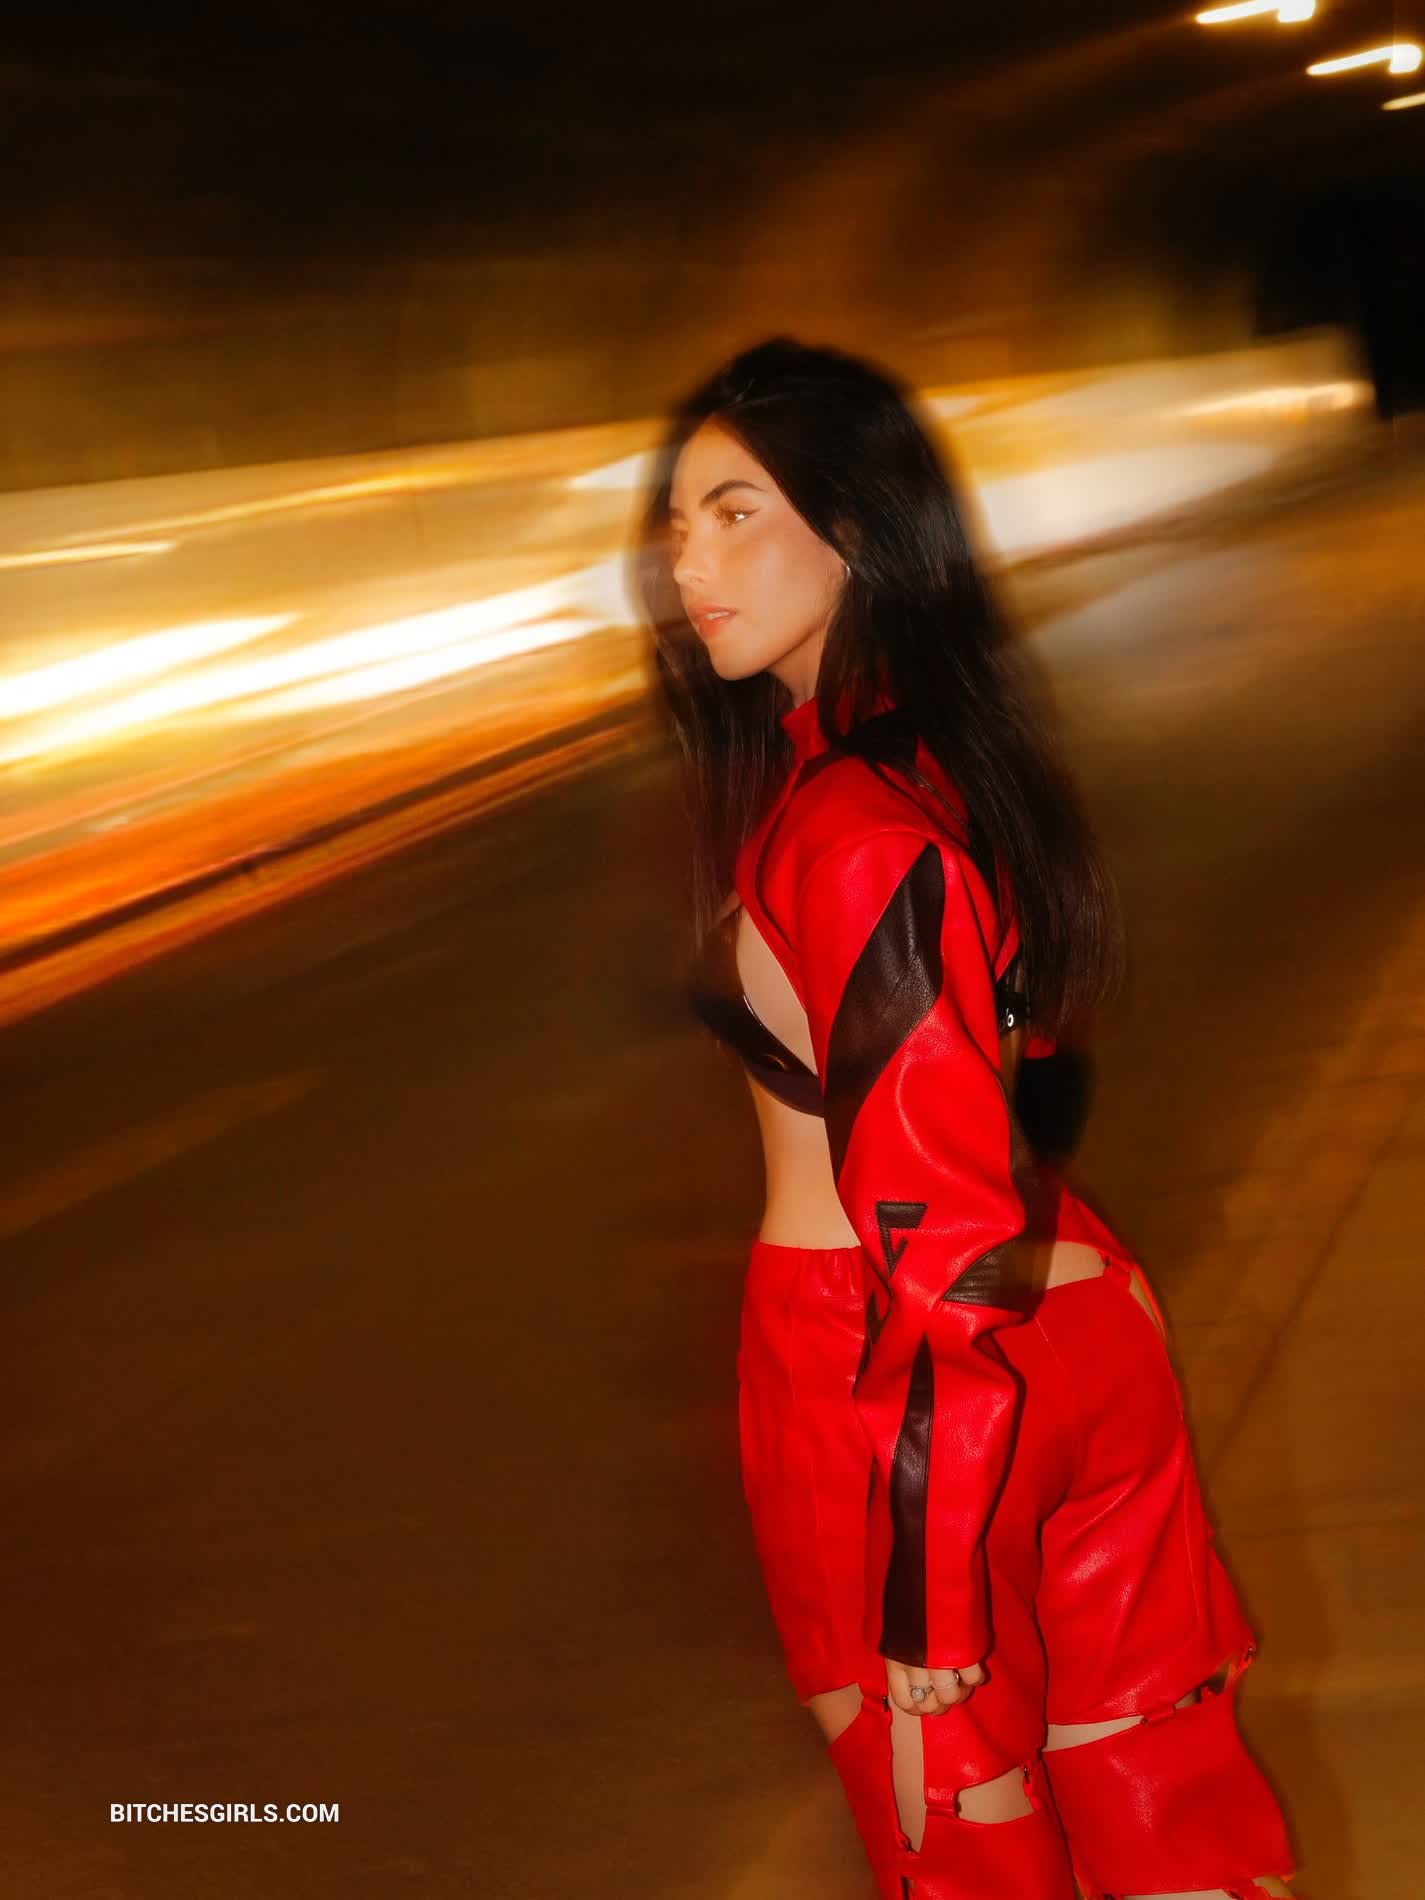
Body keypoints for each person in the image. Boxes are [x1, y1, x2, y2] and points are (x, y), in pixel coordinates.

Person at [633, 336, 1299, 1900]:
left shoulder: (845, 827)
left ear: (855, 526)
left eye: (734, 513)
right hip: (1077, 1325)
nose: (686, 568)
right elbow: (1014, 1084)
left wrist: (927, 1585)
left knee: (963, 1843)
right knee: (1160, 1796)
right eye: (674, 526)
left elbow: (935, 1215)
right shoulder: (939, 766)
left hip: (891, 1364)